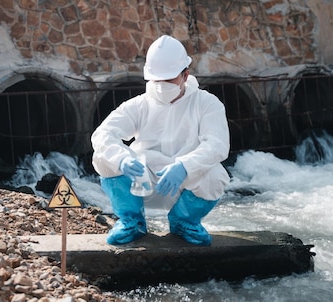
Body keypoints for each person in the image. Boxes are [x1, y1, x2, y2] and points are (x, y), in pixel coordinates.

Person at [91, 35, 230, 246]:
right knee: (102, 159)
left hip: (185, 181)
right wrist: (121, 160)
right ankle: (132, 221)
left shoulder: (207, 103)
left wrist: (184, 166)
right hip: (142, 181)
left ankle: (184, 221)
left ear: (185, 74)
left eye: (169, 79)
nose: (162, 85)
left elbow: (218, 144)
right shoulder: (139, 105)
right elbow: (102, 134)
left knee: (216, 174)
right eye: (157, 79)